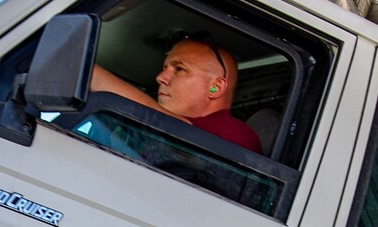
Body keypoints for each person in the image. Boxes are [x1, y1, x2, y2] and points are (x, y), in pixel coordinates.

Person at [88, 38, 262, 154]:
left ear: (215, 87)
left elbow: (163, 123)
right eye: (165, 68)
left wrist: (85, 71)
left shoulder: (238, 135)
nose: (160, 77)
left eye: (179, 69)